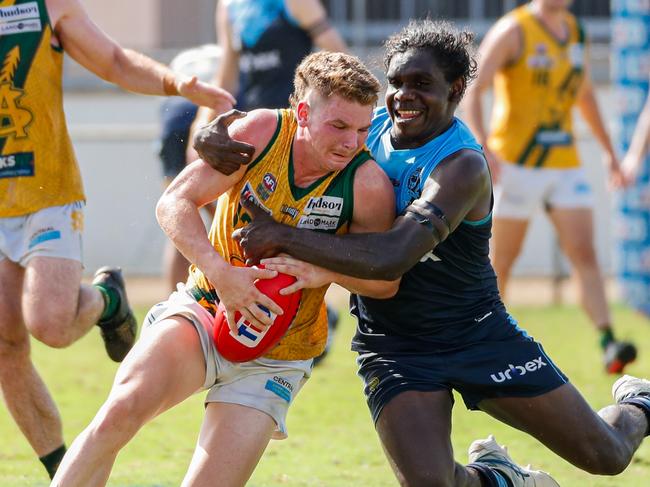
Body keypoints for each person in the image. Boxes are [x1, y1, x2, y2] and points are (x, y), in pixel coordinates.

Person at [195, 19, 650, 487]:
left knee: (607, 456)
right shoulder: (362, 134)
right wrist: (213, 134)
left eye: (421, 84)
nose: (402, 96)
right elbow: (292, 125)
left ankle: (639, 402)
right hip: (393, 345)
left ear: (455, 89)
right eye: (395, 83)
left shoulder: (462, 165)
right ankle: (501, 477)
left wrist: (283, 236)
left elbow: (393, 255)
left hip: (475, 334)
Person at [51, 51, 397, 487]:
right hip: (205, 308)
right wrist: (221, 273)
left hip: (277, 354)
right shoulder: (261, 133)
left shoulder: (367, 186)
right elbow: (174, 202)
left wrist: (324, 272)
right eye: (340, 126)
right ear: (303, 113)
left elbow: (384, 282)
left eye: (363, 129)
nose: (352, 142)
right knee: (116, 417)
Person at [0, 0, 235, 480]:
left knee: (49, 323)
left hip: (46, 192)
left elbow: (113, 61)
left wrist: (178, 84)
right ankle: (63, 472)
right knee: (5, 346)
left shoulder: (43, 6)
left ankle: (107, 300)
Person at [461, 0, 636, 374]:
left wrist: (609, 152)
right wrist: (483, 145)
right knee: (501, 261)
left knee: (584, 253)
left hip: (564, 163)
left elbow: (584, 94)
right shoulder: (515, 30)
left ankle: (608, 341)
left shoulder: (576, 31)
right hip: (516, 164)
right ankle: (482, 341)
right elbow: (475, 88)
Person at [197, 0, 350, 363]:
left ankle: (309, 316)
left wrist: (337, 119)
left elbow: (339, 57)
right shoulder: (230, 6)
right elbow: (227, 74)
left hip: (294, 135)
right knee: (237, 230)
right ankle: (264, 309)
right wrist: (201, 126)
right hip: (251, 136)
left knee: (283, 234)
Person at [158, 44, 223, 292]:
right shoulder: (226, 57)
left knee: (179, 216)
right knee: (228, 219)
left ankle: (174, 299)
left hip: (172, 122)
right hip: (205, 120)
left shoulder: (185, 59)